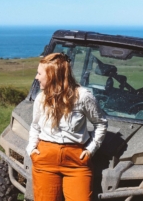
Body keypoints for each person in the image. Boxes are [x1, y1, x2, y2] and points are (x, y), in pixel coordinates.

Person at [26, 52, 108, 201]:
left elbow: (101, 123)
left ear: (52, 75)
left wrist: (91, 149)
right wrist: (31, 149)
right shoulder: (41, 97)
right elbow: (35, 126)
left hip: (76, 161)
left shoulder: (83, 96)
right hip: (45, 159)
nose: (36, 77)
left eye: (39, 73)